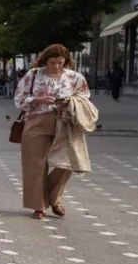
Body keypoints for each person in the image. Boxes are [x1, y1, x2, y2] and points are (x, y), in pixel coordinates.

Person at [14, 44, 91, 220]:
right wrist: (38, 99)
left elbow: (84, 97)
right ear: (45, 60)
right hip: (36, 120)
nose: (56, 66)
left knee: (68, 161)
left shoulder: (75, 77)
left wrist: (69, 101)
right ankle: (38, 205)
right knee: (36, 164)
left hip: (65, 121)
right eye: (52, 62)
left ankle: (53, 198)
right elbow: (19, 99)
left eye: (60, 62)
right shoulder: (33, 75)